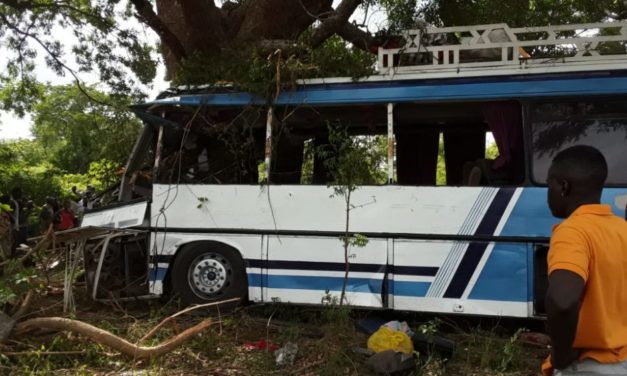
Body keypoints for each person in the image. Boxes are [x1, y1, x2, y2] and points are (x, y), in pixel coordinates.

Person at [542, 145, 627, 375]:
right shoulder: (621, 228)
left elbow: (562, 302)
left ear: (563, 186)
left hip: (590, 367)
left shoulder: (572, 232)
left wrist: (561, 354)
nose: (547, 192)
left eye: (549, 184)